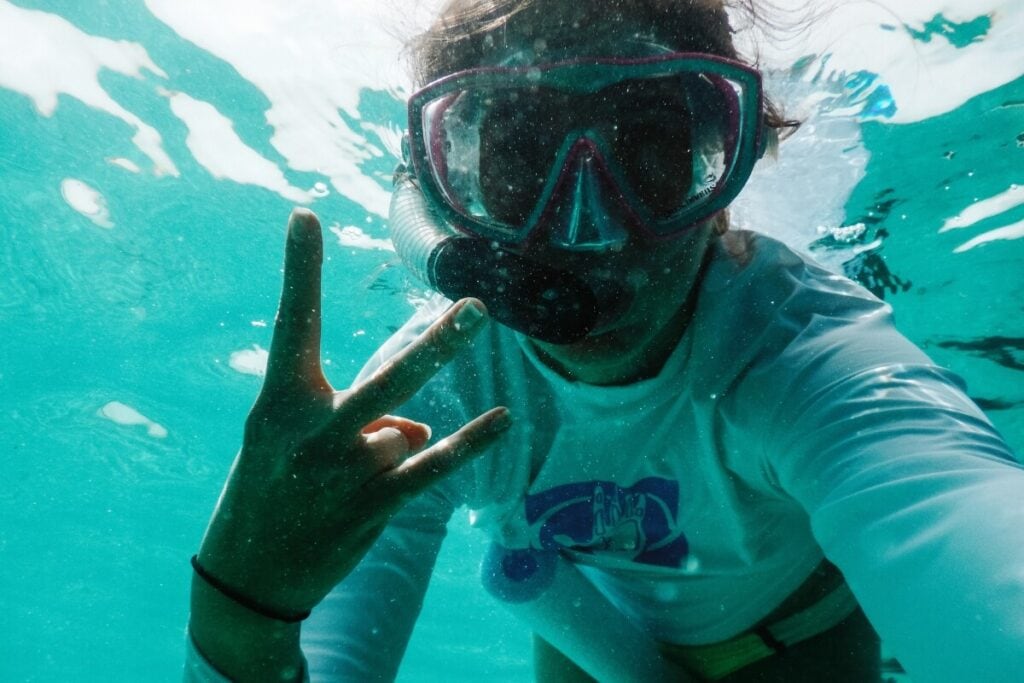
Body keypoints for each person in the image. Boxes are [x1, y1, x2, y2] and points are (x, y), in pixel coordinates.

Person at [184, 1, 1024, 681]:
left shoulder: (795, 354)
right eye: (517, 154)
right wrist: (239, 612)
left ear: (729, 157)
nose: (591, 233)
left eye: (652, 150)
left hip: (800, 643)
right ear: (444, 196)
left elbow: (944, 504)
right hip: (591, 644)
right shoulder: (437, 385)